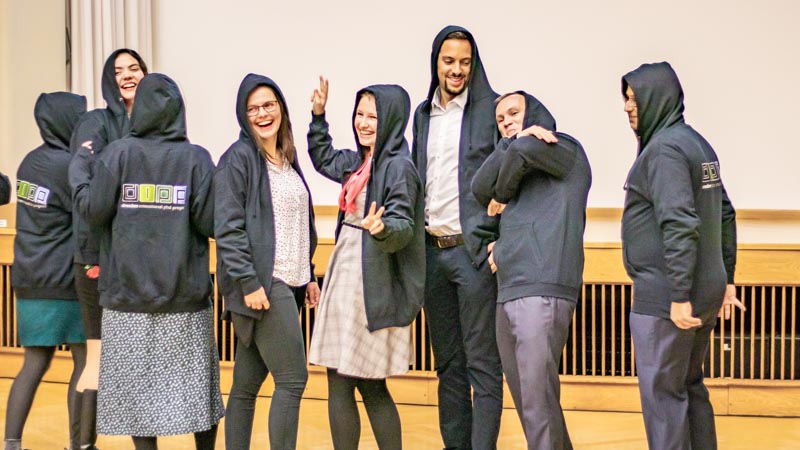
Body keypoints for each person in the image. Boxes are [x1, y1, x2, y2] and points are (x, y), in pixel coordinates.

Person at [71, 73, 223, 449]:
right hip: (185, 299)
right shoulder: (197, 159)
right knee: (197, 393)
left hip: (128, 300)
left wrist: (79, 169)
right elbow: (210, 223)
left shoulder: (117, 154)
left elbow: (93, 212)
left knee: (139, 401)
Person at [620, 62, 743, 450]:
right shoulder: (696, 143)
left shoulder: (665, 150)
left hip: (668, 300)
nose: (627, 107)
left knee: (664, 401)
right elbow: (724, 213)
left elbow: (679, 222)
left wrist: (677, 294)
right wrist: (727, 280)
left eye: (633, 99)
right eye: (625, 99)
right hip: (703, 289)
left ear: (657, 98)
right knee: (689, 387)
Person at [307, 78, 425, 450]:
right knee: (339, 378)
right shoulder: (359, 161)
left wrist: (383, 227)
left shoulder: (399, 166)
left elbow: (405, 226)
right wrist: (318, 116)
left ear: (390, 119)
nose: (364, 122)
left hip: (372, 282)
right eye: (359, 114)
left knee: (368, 383)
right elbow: (323, 157)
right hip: (346, 271)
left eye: (373, 115)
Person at [472, 91, 591, 450]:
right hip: (508, 290)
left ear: (535, 115)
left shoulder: (565, 149)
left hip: (543, 290)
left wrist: (503, 193)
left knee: (538, 405)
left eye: (514, 113)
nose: (506, 121)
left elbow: (524, 153)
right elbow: (479, 188)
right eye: (500, 119)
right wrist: (507, 147)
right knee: (531, 405)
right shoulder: (515, 156)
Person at [410, 25, 503, 449]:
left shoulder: (492, 109)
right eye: (449, 61)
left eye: (465, 62)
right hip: (432, 252)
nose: (457, 69)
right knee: (448, 364)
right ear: (436, 62)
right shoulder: (422, 114)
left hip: (472, 253)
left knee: (483, 364)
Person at [215, 73, 319, 450]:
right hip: (263, 283)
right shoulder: (238, 159)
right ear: (244, 115)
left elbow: (296, 222)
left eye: (268, 105)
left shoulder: (286, 157)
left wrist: (307, 275)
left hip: (289, 284)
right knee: (292, 380)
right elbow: (228, 228)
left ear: (280, 108)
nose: (262, 113)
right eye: (253, 108)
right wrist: (248, 283)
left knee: (244, 387)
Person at [68, 48, 148, 450]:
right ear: (108, 79)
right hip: (97, 257)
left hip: (138, 261)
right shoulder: (95, 123)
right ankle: (82, 444)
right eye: (118, 70)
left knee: (135, 365)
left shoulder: (154, 126)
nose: (127, 75)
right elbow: (84, 186)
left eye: (134, 68)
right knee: (96, 360)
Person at [4, 92, 87, 450]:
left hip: (29, 278)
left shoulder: (29, 163)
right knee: (85, 363)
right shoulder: (67, 166)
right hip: (65, 281)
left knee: (33, 365)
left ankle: (11, 442)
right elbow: (88, 215)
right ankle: (78, 443)